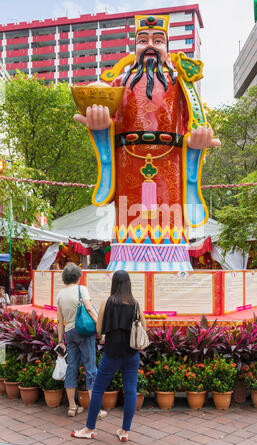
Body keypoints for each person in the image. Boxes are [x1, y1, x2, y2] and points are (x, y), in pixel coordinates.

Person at [73, 14, 221, 273]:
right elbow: (110, 121)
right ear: (135, 47)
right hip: (127, 160)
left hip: (171, 164)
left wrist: (197, 142)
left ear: (167, 47)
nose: (150, 45)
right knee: (129, 218)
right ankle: (124, 264)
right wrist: (101, 127)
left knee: (169, 218)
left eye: (158, 40)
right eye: (143, 40)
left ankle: (174, 266)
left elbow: (193, 124)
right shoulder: (119, 83)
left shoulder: (181, 85)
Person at [71, 270, 147, 442]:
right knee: (130, 391)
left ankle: (89, 428)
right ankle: (125, 431)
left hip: (111, 353)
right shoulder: (135, 304)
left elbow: (99, 330)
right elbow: (144, 327)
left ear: (114, 283)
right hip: (131, 353)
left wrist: (107, 333)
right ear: (129, 284)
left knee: (98, 388)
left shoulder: (107, 302)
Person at [56, 262, 107, 418]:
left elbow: (59, 320)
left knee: (72, 367)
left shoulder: (60, 294)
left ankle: (72, 407)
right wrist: (101, 329)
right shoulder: (81, 289)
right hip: (84, 333)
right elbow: (90, 309)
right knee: (90, 367)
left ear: (64, 278)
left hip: (69, 334)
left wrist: (60, 340)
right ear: (78, 276)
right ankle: (96, 409)